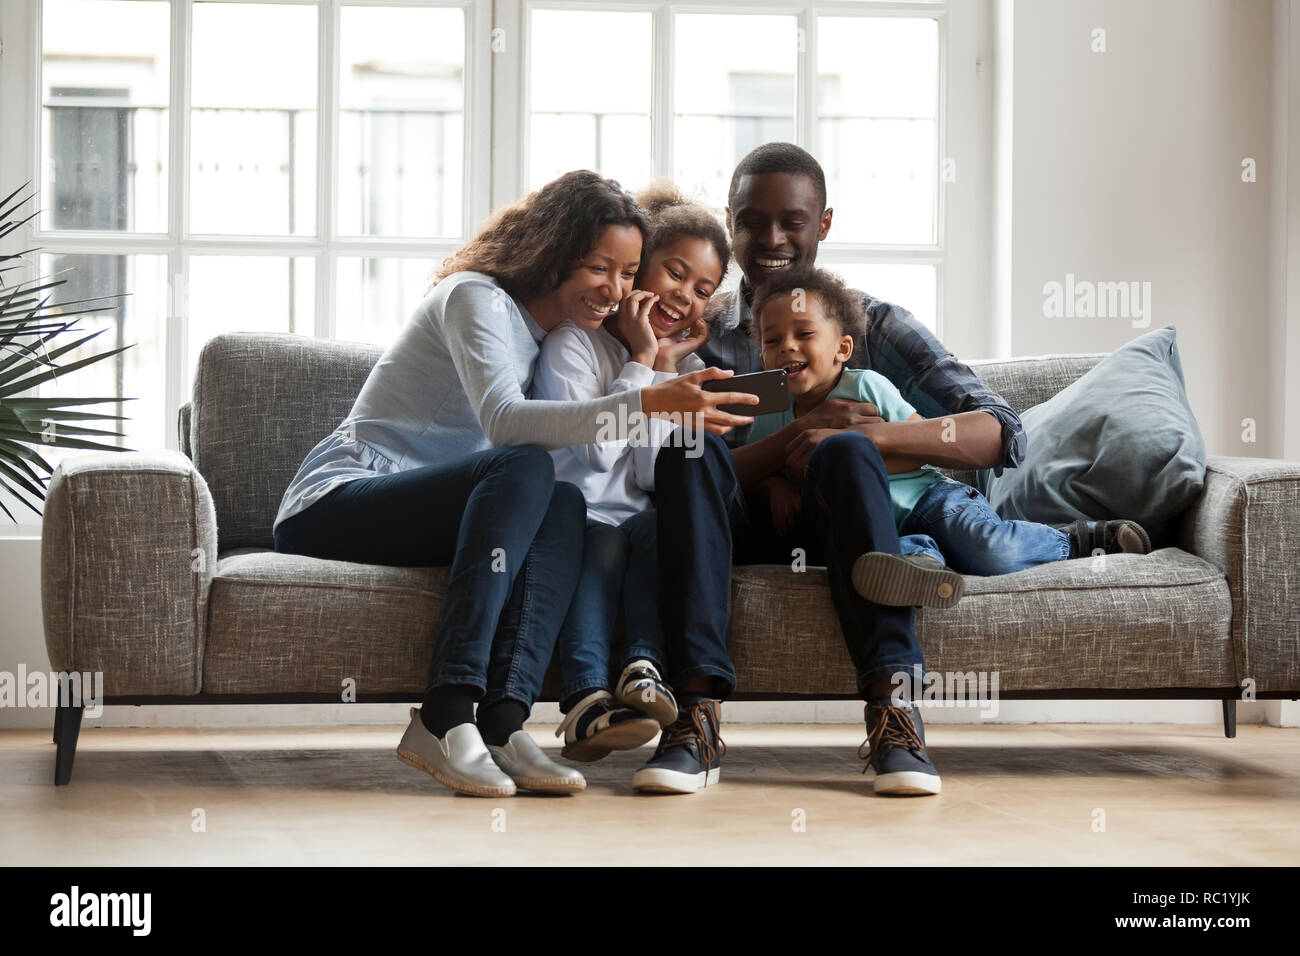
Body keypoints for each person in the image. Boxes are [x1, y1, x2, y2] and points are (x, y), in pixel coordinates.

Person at [271, 170, 757, 799]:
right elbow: (504, 423)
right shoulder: (473, 298)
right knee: (526, 463)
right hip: (341, 498)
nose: (613, 289)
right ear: (554, 251)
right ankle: (445, 715)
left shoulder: (560, 339)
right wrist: (650, 398)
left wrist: (656, 379)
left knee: (562, 500)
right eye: (597, 267)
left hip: (444, 506)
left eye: (628, 272)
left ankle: (503, 719)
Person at [651, 141, 1032, 797]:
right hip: (749, 523)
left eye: (791, 221)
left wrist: (873, 438)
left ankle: (893, 713)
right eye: (751, 220)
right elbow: (671, 475)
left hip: (849, 518)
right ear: (731, 221)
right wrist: (792, 438)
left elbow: (997, 431)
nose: (770, 238)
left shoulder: (868, 324)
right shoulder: (702, 331)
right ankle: (695, 717)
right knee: (686, 446)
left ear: (822, 223)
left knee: (849, 449)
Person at [745, 265, 1152, 614]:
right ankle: (925, 561)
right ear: (762, 357)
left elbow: (918, 448)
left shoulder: (867, 386)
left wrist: (866, 457)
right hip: (872, 525)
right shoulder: (771, 408)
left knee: (989, 551)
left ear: (842, 348)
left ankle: (1075, 539)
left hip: (929, 500)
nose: (788, 347)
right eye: (773, 340)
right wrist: (777, 486)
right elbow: (762, 466)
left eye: (804, 333)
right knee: (880, 560)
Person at [531, 181, 729, 778]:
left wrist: (664, 366)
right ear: (638, 267)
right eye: (674, 273)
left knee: (652, 525)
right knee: (607, 537)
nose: (685, 298)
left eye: (704, 291)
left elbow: (650, 471)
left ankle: (642, 669)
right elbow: (592, 455)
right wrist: (644, 365)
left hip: (631, 519)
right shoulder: (574, 344)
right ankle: (587, 697)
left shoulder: (681, 366)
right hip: (576, 513)